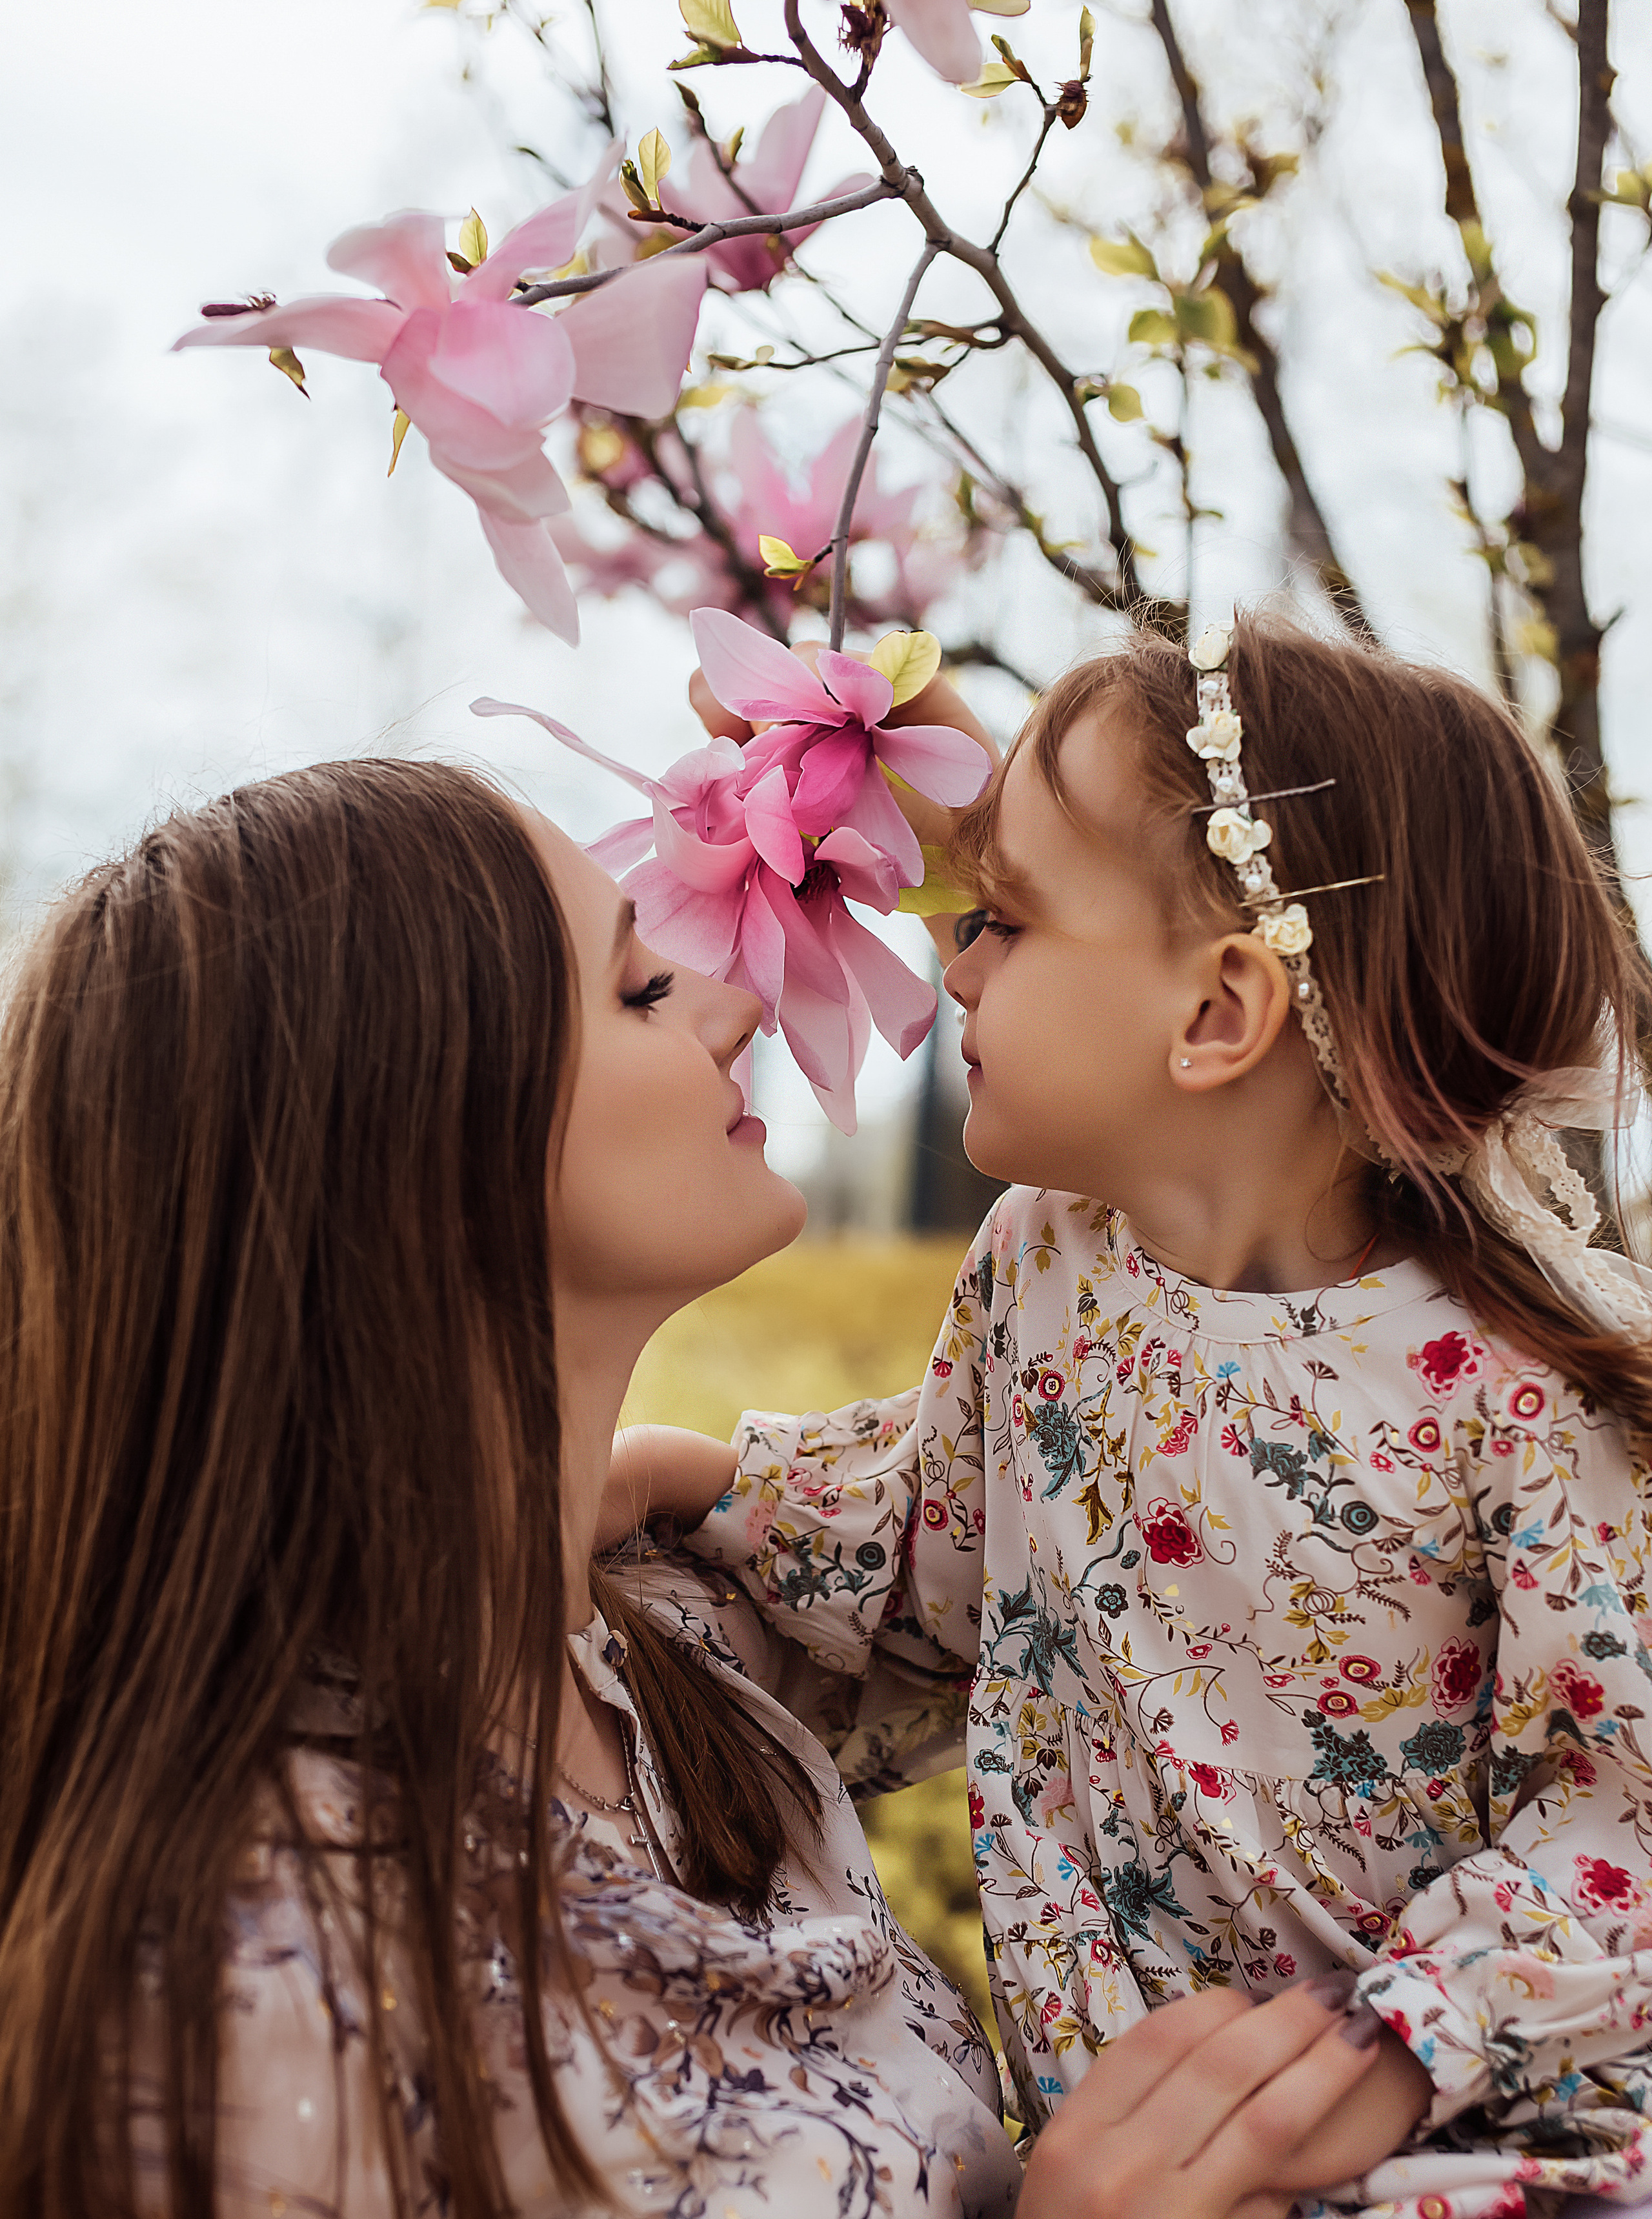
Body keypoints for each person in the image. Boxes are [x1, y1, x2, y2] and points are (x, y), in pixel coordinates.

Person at [0, 755, 1380, 2219]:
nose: (734, 1007)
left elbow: (1174, 1529)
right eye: (641, 992)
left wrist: (1034, 821)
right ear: (416, 1142)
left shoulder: (688, 1646)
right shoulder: (226, 1986)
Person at [617, 614, 1652, 2218]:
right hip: (1138, 2149)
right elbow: (932, 1552)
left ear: (1216, 1016)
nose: (953, 957)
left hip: (1474, 2136)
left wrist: (1383, 2049)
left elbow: (1618, 1811)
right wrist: (698, 1479)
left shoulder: (1517, 1387)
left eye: (1004, 920)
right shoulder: (1047, 1255)